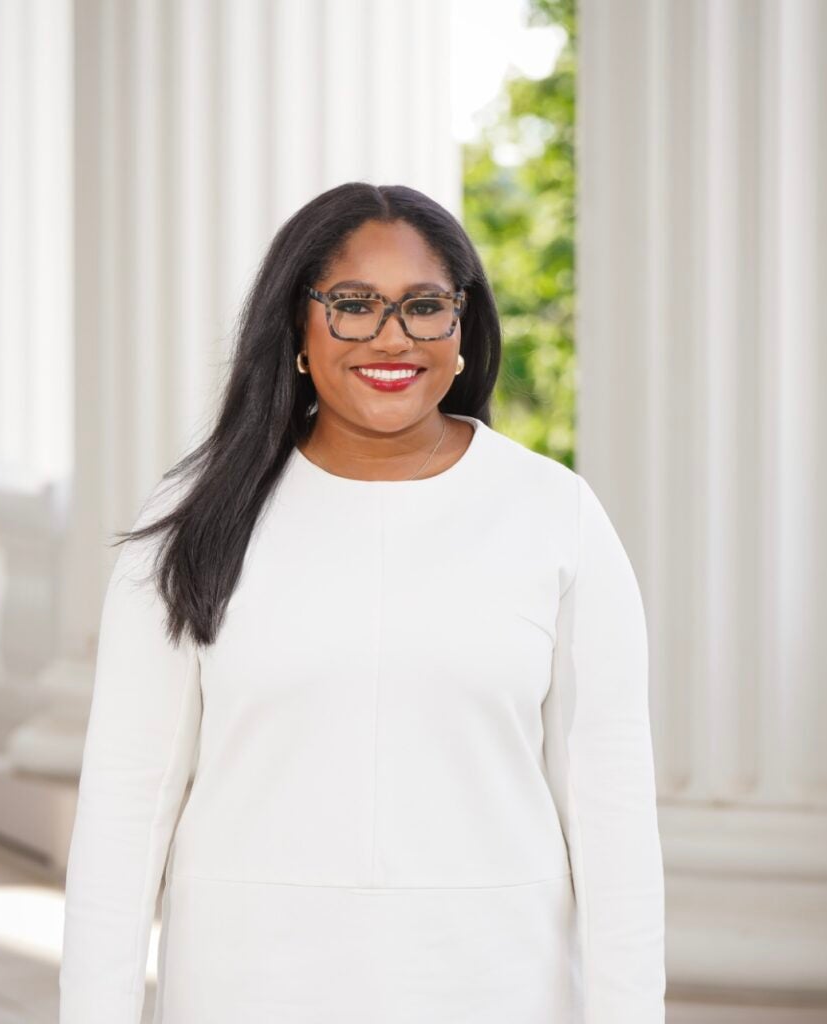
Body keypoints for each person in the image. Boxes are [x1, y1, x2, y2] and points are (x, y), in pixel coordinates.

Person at [58, 182, 666, 1023]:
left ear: (463, 329)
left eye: (425, 307)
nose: (393, 337)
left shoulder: (554, 515)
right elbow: (125, 806)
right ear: (296, 328)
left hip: (495, 980)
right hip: (248, 981)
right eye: (353, 305)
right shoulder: (195, 517)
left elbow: (614, 817)